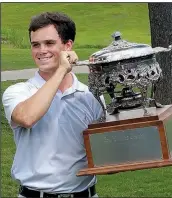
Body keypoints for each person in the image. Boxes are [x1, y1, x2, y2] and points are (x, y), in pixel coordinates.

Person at [2, 12, 104, 198]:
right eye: (35, 45)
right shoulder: (18, 92)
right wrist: (62, 70)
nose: (41, 50)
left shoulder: (91, 96)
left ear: (68, 46)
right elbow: (27, 117)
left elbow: (105, 149)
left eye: (49, 43)